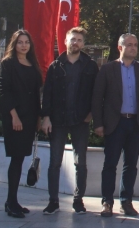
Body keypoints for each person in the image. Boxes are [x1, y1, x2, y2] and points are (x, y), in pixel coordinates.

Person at [92, 33, 139, 218]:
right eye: (129, 45)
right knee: (110, 164)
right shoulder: (108, 69)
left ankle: (126, 201)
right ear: (120, 48)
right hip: (115, 123)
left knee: (131, 165)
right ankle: (107, 202)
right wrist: (98, 123)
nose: (133, 48)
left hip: (135, 124)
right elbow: (97, 98)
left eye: (135, 44)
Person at [40, 27, 99, 216]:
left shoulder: (90, 65)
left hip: (80, 120)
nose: (76, 43)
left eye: (79, 40)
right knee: (54, 162)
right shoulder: (55, 65)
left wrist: (91, 113)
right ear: (65, 41)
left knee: (80, 162)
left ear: (83, 43)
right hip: (57, 120)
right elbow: (47, 93)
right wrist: (46, 117)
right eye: (73, 39)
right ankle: (53, 201)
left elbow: (96, 93)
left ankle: (78, 200)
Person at [0, 30, 43, 218]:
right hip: (15, 118)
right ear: (14, 44)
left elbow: (36, 93)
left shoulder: (33, 64)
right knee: (16, 159)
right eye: (20, 42)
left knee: (21, 158)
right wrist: (14, 116)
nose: (23, 45)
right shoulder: (8, 63)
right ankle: (11, 202)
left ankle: (13, 200)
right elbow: (4, 91)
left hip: (30, 117)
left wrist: (39, 117)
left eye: (26, 42)